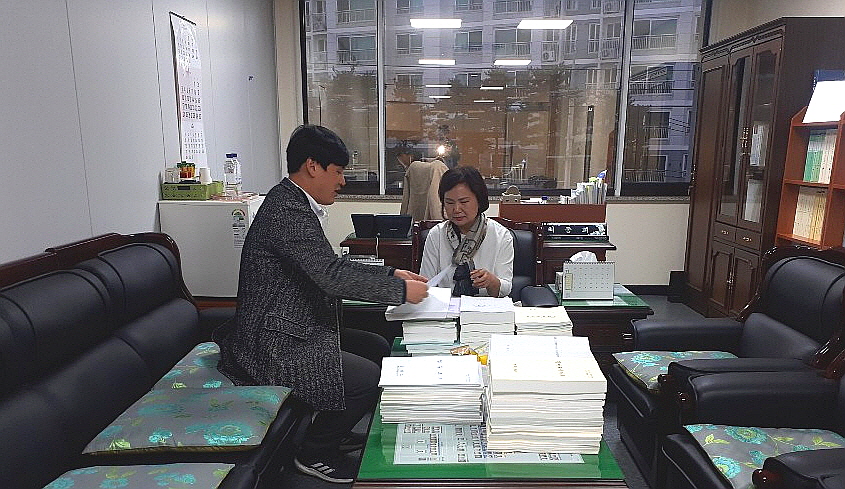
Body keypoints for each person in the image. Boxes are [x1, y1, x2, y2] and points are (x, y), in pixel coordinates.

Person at [216, 124, 429, 484]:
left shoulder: (295, 203)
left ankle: (336, 426)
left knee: (377, 346)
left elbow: (328, 265)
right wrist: (399, 292)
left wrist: (392, 273)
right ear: (313, 166)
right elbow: (330, 275)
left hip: (294, 326)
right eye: (338, 171)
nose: (342, 181)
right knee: (366, 378)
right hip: (272, 343)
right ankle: (314, 452)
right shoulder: (286, 211)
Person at [419, 166, 514, 298]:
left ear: (479, 200)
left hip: (485, 306)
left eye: (464, 202)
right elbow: (426, 284)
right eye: (449, 203)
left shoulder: (501, 236)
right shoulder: (436, 235)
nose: (456, 209)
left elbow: (505, 289)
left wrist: (491, 281)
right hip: (445, 306)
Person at [399, 149, 449, 222]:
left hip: (414, 222)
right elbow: (435, 203)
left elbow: (405, 201)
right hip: (435, 224)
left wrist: (402, 220)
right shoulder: (438, 168)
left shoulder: (413, 168)